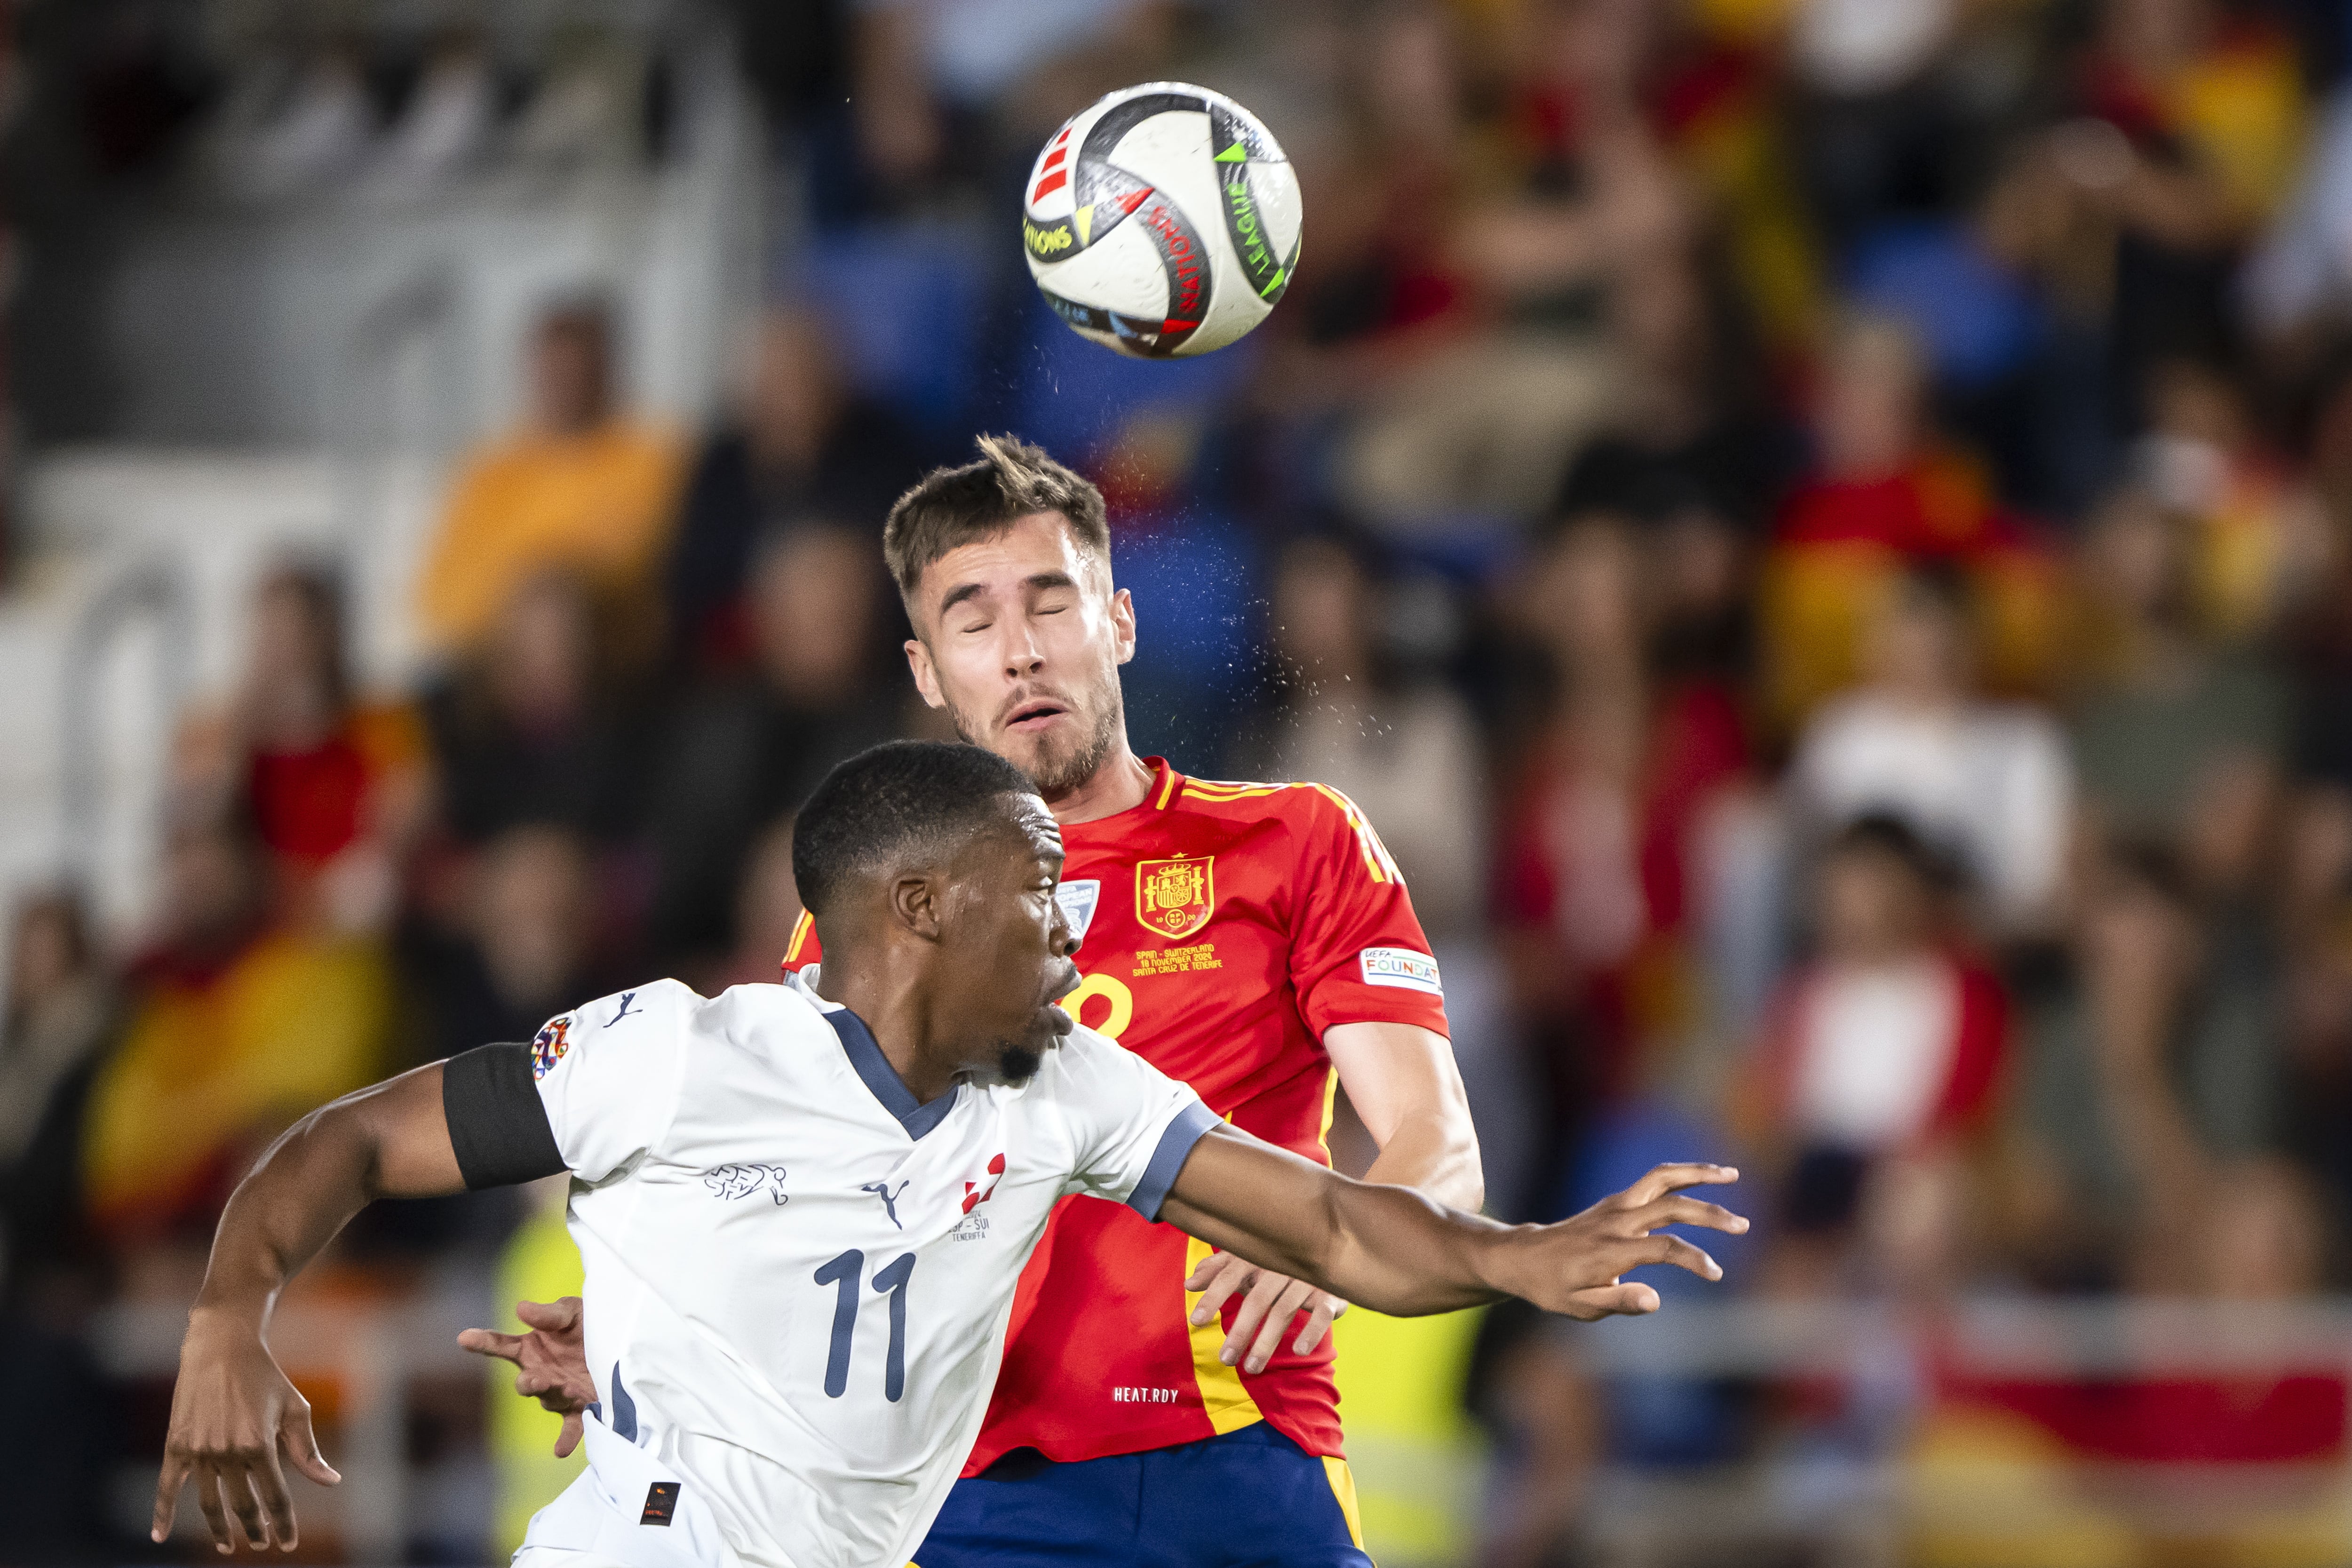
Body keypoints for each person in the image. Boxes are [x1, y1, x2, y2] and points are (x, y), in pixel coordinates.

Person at [147, 740, 1749, 1568]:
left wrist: (1514, 1255)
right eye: (1036, 886)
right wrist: (230, 1312)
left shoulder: (1066, 1087)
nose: (1074, 922)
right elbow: (351, 1141)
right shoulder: (681, 1057)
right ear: (918, 910)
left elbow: (1330, 1230)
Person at [511, 434, 1489, 1566]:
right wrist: (658, 1335)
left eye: (1051, 605)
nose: (1021, 653)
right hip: (955, 1497)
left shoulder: (1293, 842)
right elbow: (811, 1206)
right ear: (928, 673)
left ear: (1117, 623)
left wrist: (1331, 1235)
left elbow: (1438, 1145)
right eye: (974, 622)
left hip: (1237, 1467)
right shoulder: (867, 919)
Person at [414, 301, 687, 659]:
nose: (565, 382)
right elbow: (441, 596)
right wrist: (520, 613)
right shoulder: (490, 470)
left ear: (607, 368)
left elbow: (631, 567)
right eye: (554, 369)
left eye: (578, 368)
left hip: (611, 665)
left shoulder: (655, 459)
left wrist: (545, 599)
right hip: (497, 665)